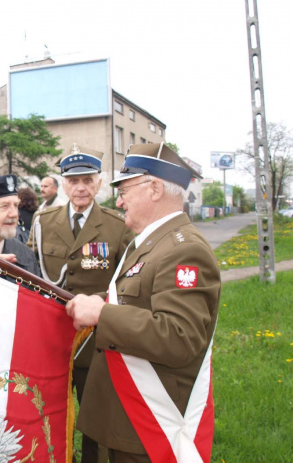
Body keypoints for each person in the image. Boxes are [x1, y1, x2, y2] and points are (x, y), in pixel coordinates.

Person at [65, 143, 220, 463]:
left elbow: (179, 336)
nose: (118, 200)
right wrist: (101, 302)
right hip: (122, 412)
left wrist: (102, 313)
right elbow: (138, 303)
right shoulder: (150, 242)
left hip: (147, 421)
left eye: (124, 190)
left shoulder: (183, 249)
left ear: (154, 188)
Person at [28, 144, 133, 463]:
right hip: (51, 339)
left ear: (99, 183)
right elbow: (32, 269)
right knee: (46, 415)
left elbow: (128, 282)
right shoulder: (43, 220)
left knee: (95, 419)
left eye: (88, 180)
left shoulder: (117, 226)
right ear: (63, 185)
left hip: (96, 340)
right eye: (74, 181)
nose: (81, 188)